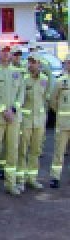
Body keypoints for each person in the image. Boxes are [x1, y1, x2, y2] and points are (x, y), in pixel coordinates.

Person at [0, 44, 25, 189]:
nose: (7, 54)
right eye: (4, 51)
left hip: (14, 118)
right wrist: (3, 110)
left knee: (13, 150)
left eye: (9, 52)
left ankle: (10, 184)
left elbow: (21, 93)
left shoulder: (18, 72)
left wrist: (13, 109)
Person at [18, 53, 51, 192]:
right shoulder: (23, 79)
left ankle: (32, 178)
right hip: (26, 120)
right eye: (30, 62)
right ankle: (20, 180)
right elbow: (19, 99)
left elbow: (46, 98)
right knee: (22, 150)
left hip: (39, 121)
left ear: (39, 64)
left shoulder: (44, 79)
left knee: (35, 151)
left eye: (34, 62)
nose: (31, 65)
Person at [49, 58, 70, 187]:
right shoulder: (60, 81)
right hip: (63, 123)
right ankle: (55, 178)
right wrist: (61, 112)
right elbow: (53, 101)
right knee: (59, 151)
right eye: (69, 62)